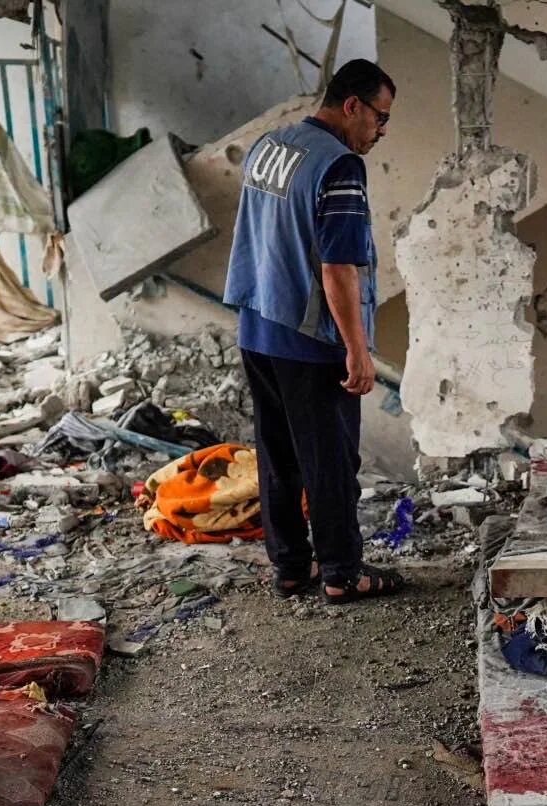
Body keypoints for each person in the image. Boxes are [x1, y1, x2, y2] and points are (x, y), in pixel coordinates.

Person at [224, 59, 403, 604]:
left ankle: (290, 567)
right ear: (352, 105)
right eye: (379, 116)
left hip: (258, 326)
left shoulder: (270, 147)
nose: (381, 130)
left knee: (278, 453)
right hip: (309, 339)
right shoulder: (341, 166)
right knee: (329, 459)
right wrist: (356, 349)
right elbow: (338, 267)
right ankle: (342, 573)